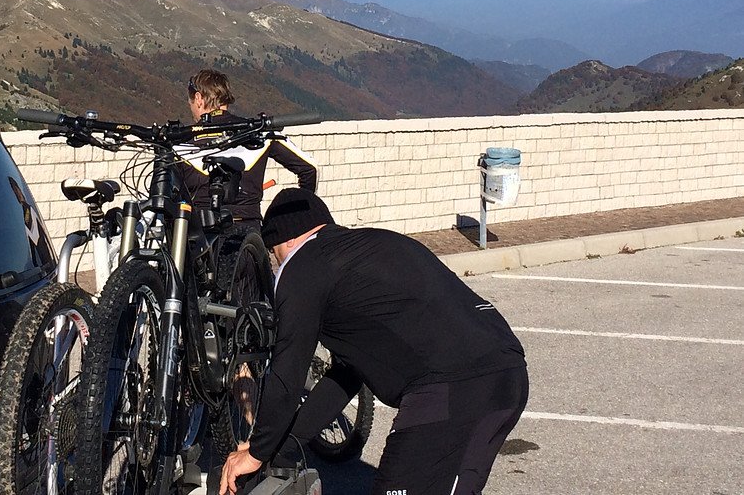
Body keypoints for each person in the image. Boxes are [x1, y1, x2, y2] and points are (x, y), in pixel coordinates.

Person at [220, 188, 528, 495]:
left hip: (451, 388)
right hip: (507, 374)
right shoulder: (373, 246)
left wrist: (255, 453)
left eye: (274, 253)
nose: (277, 262)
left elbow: (287, 373)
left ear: (287, 241)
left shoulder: (303, 263)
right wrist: (285, 444)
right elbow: (348, 374)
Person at [175, 69, 318, 224]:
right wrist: (299, 216)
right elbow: (309, 169)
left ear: (198, 99)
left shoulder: (180, 142)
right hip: (249, 226)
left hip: (201, 227)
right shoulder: (258, 131)